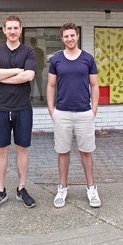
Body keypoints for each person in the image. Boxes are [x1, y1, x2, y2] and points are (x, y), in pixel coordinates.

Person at [0, 15, 37, 212]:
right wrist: (17, 71)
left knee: (23, 148)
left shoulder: (29, 51)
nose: (13, 31)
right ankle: (0, 191)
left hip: (23, 108)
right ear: (4, 30)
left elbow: (29, 76)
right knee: (1, 150)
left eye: (16, 28)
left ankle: (22, 188)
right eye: (10, 28)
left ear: (21, 30)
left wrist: (2, 74)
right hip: (0, 107)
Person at [46, 22, 101, 208]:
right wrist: (51, 110)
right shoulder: (56, 60)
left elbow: (94, 85)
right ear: (62, 39)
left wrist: (94, 109)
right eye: (66, 36)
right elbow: (51, 85)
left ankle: (91, 188)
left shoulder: (88, 58)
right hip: (62, 113)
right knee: (63, 153)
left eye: (72, 35)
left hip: (84, 112)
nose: (69, 39)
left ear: (77, 36)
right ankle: (62, 188)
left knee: (86, 152)